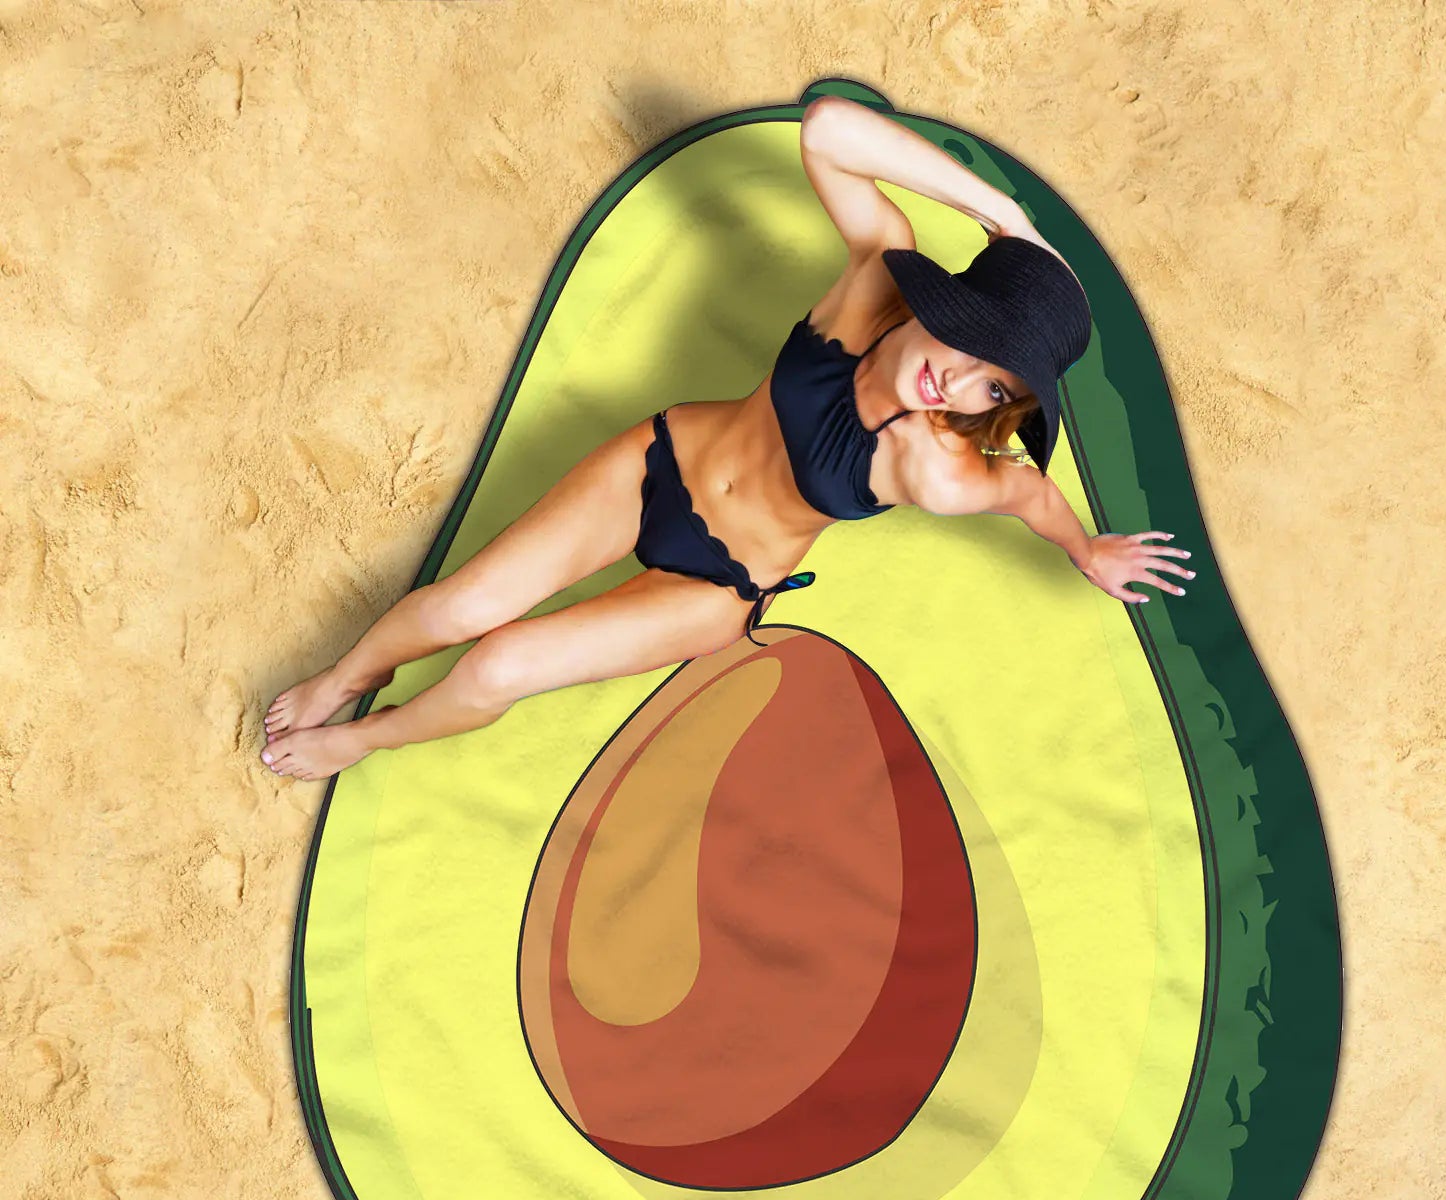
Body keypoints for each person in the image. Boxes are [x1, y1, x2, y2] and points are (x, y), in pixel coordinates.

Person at [261, 95, 1191, 780]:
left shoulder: (936, 468)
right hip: (657, 465)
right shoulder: (875, 278)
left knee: (500, 663)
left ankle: (365, 738)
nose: (959, 385)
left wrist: (1085, 547)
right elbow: (828, 127)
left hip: (716, 586)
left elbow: (1025, 490)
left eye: (996, 388)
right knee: (461, 608)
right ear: (953, 304)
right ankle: (345, 677)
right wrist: (1008, 221)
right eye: (975, 347)